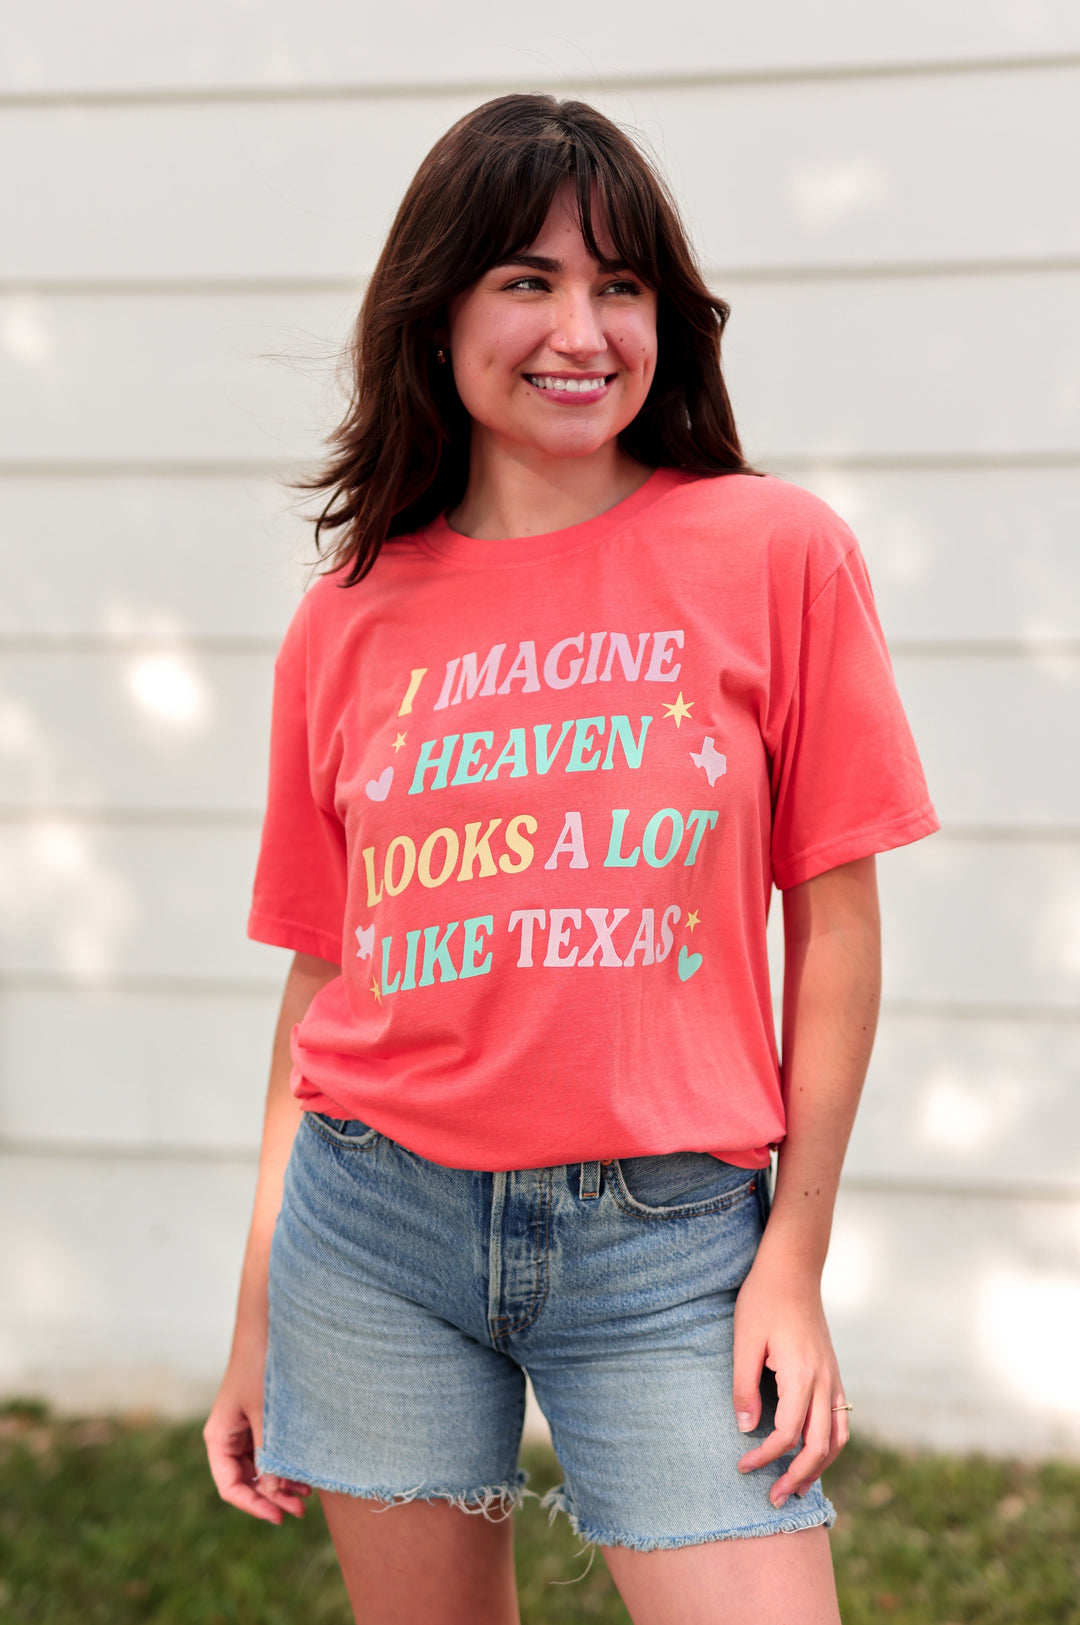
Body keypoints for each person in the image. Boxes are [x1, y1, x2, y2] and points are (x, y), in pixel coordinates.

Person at [204, 93, 938, 1624]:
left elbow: (840, 925)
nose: (582, 328)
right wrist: (259, 1300)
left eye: (622, 284)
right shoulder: (350, 611)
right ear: (442, 305)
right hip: (374, 1225)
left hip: (668, 1245)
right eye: (528, 280)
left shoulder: (773, 552)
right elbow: (327, 970)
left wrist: (790, 1259)